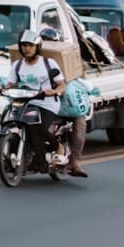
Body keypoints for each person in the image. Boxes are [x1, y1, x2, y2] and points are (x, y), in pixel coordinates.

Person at [6, 27, 86, 178]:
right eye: (24, 46)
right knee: (19, 123)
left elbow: (61, 84)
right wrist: (1, 88)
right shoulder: (17, 65)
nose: (27, 49)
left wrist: (54, 91)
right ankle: (35, 158)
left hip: (47, 104)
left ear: (37, 47)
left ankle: (58, 147)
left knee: (40, 126)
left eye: (30, 45)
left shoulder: (49, 64)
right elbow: (10, 84)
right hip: (26, 103)